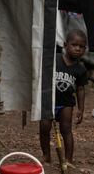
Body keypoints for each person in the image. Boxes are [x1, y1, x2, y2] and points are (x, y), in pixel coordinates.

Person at [39, 29, 88, 164]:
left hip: (66, 103)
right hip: (48, 101)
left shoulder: (81, 69)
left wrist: (81, 109)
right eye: (74, 45)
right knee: (44, 127)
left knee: (66, 129)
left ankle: (68, 159)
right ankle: (46, 155)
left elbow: (80, 89)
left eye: (81, 46)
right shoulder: (55, 59)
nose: (77, 49)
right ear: (65, 45)